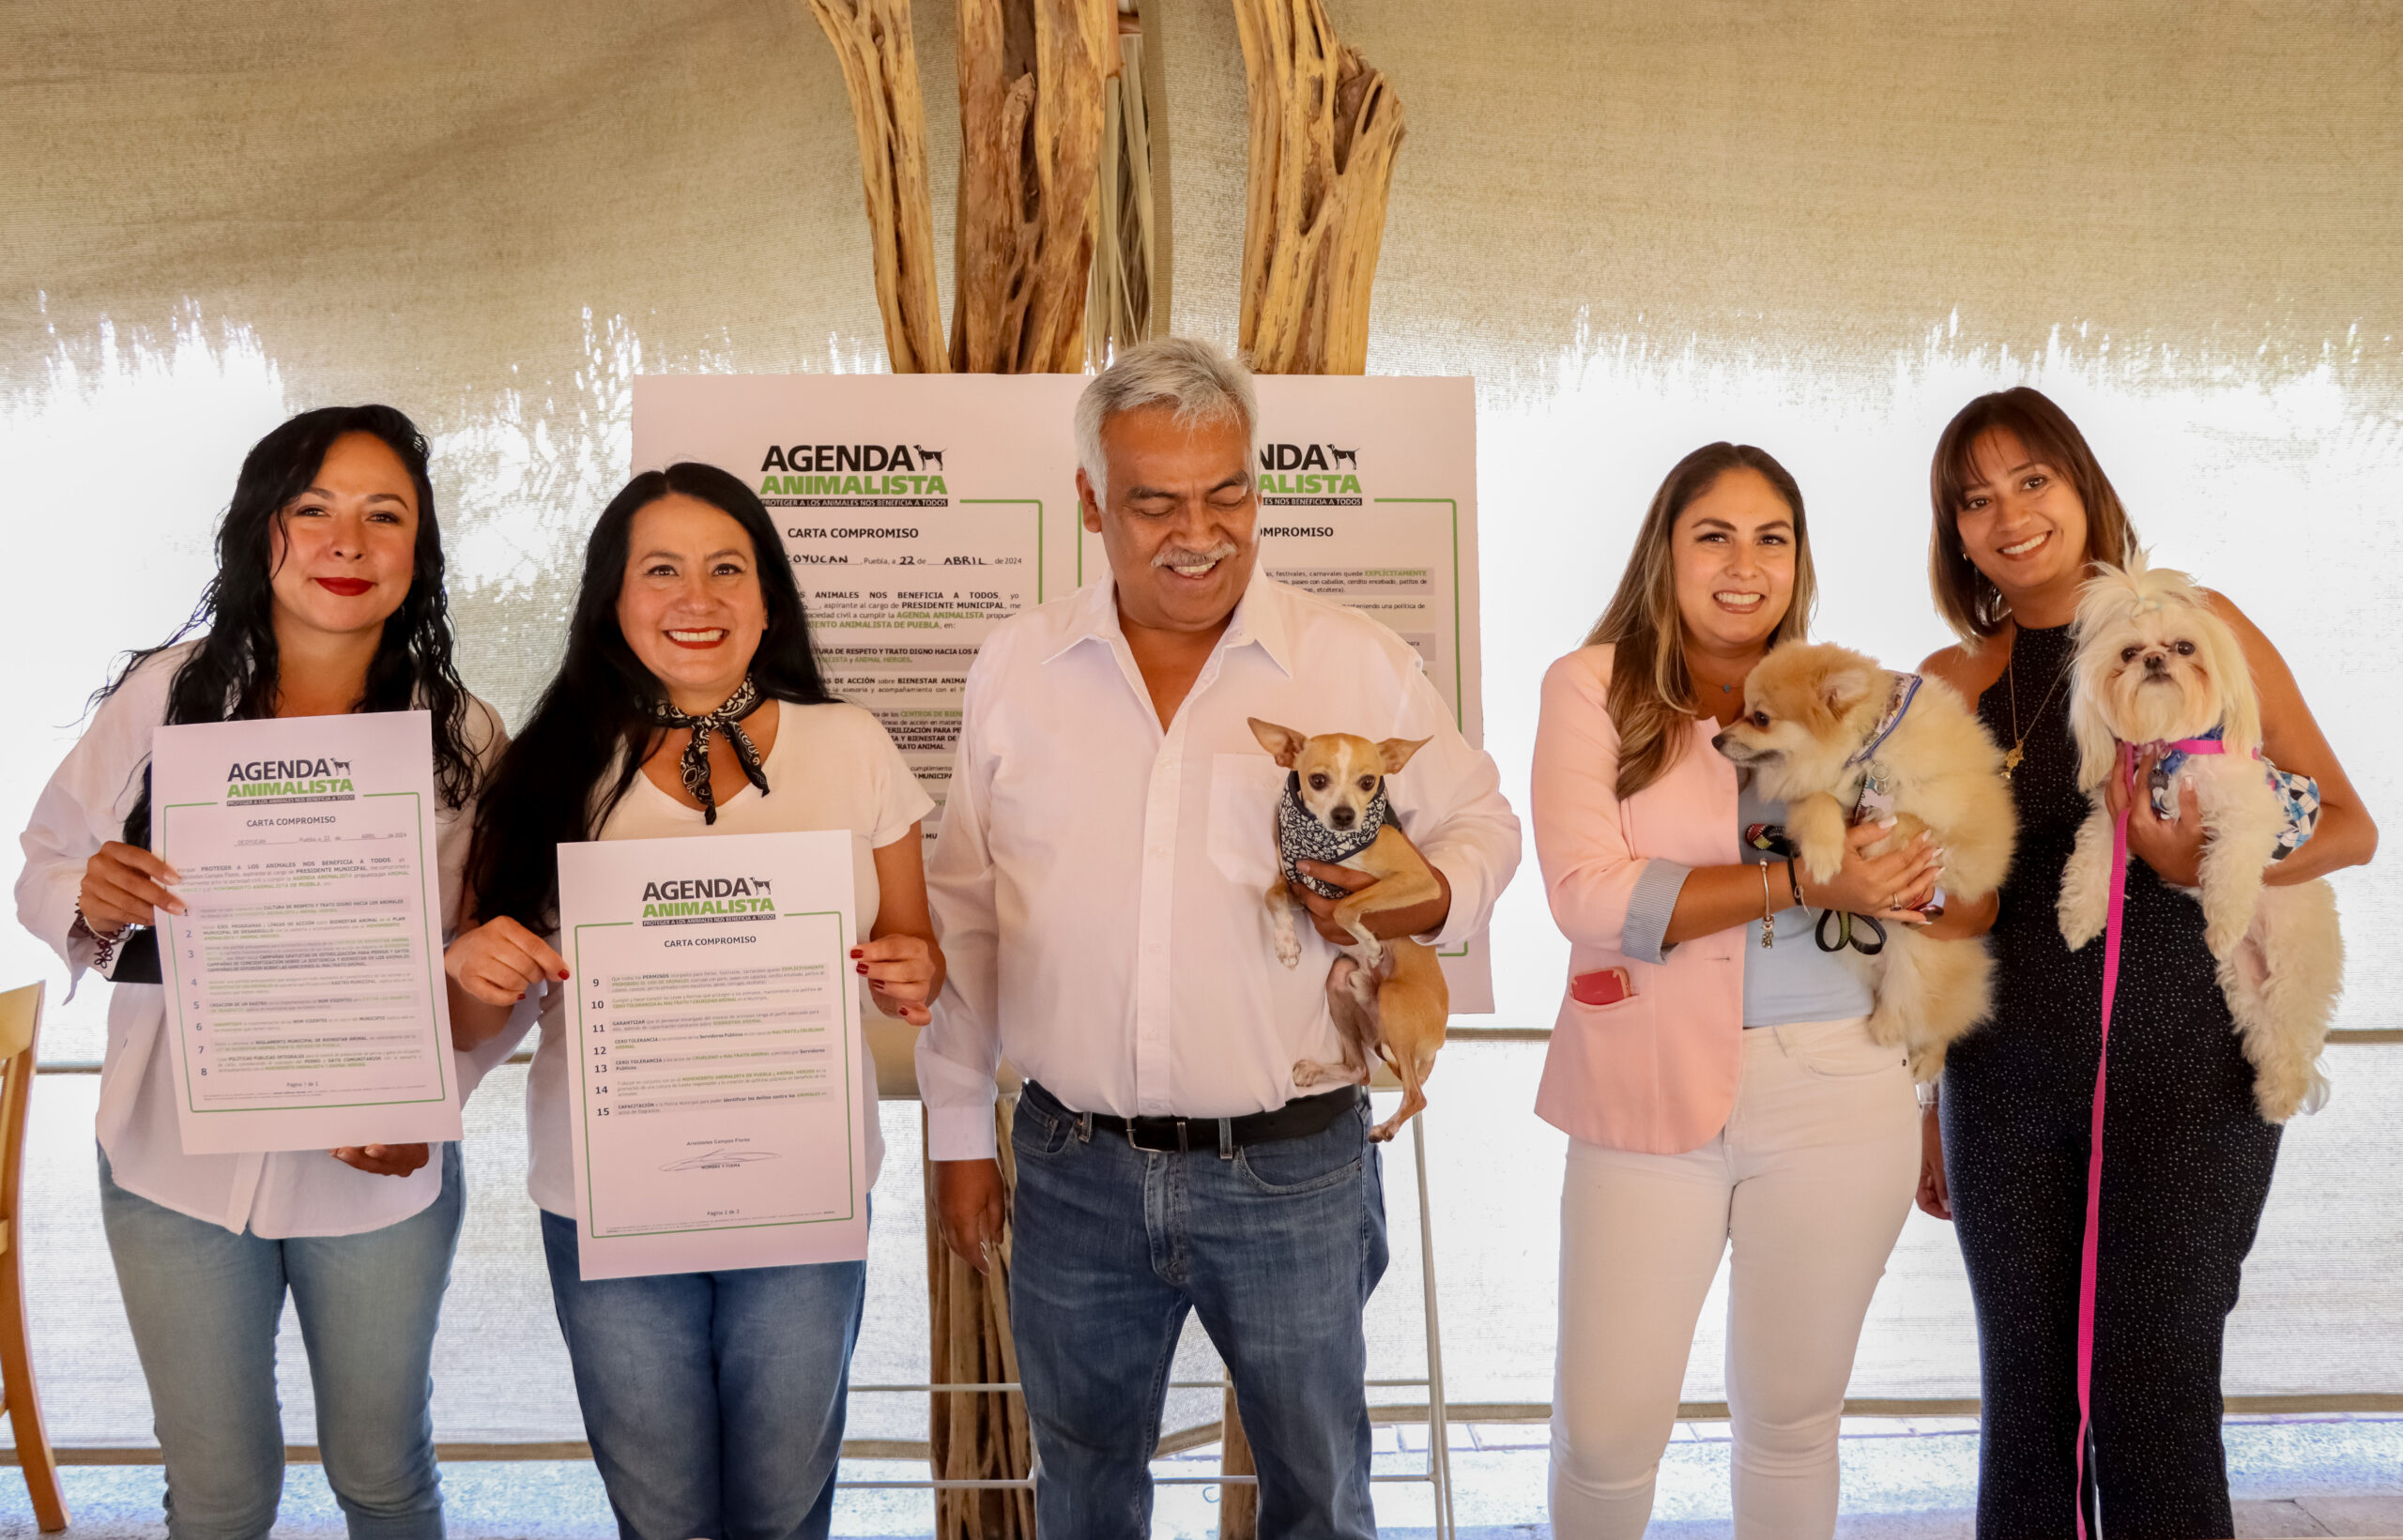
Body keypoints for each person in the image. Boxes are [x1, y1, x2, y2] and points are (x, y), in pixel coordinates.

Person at [916, 337, 1520, 1537]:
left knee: (1319, 1498)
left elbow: (1483, 824)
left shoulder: (1352, 662)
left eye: (1228, 492)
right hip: (1074, 1166)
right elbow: (966, 915)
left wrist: (1421, 900)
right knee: (1084, 1494)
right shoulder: (1016, 669)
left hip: (1293, 1168)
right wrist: (955, 1137)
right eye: (1154, 503)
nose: (1199, 531)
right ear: (1090, 500)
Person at [16, 406, 502, 1540]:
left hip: (375, 1172)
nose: (348, 541)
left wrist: (432, 1109)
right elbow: (46, 860)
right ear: (261, 531)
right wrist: (89, 894)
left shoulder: (462, 734)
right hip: (171, 1163)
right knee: (220, 1494)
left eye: (384, 517)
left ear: (417, 552)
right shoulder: (165, 693)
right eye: (314, 510)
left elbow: (499, 965)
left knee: (384, 1477)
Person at [444, 462, 940, 1540]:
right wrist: (469, 966)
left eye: (727, 568)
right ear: (613, 600)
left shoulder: (851, 746)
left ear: (769, 599)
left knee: (781, 1507)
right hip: (609, 1203)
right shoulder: (547, 770)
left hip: (803, 1199)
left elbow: (916, 953)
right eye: (659, 569)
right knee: (662, 1515)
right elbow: (484, 1024)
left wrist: (912, 973)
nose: (695, 598)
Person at [1914, 388, 2375, 1538]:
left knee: (2154, 1394)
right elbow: (1955, 919)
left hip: (2189, 1075)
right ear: (1954, 533)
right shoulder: (1954, 681)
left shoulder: (2193, 619)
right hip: (2002, 1088)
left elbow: (2348, 826)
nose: (2009, 516)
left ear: (2082, 489)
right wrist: (1928, 1102)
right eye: (1975, 500)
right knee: (2026, 1402)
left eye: (2033, 482)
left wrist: (2186, 863)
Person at [1533, 442, 1970, 1538]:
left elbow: (1941, 876)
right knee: (1605, 1430)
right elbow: (1588, 895)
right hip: (1645, 1093)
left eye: (1771, 538)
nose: (1744, 564)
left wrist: (1916, 878)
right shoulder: (1591, 686)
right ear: (1664, 552)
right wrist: (1802, 875)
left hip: (1841, 1085)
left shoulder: (1856, 698)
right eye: (1713, 536)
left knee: (1792, 1419)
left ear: (1798, 558)